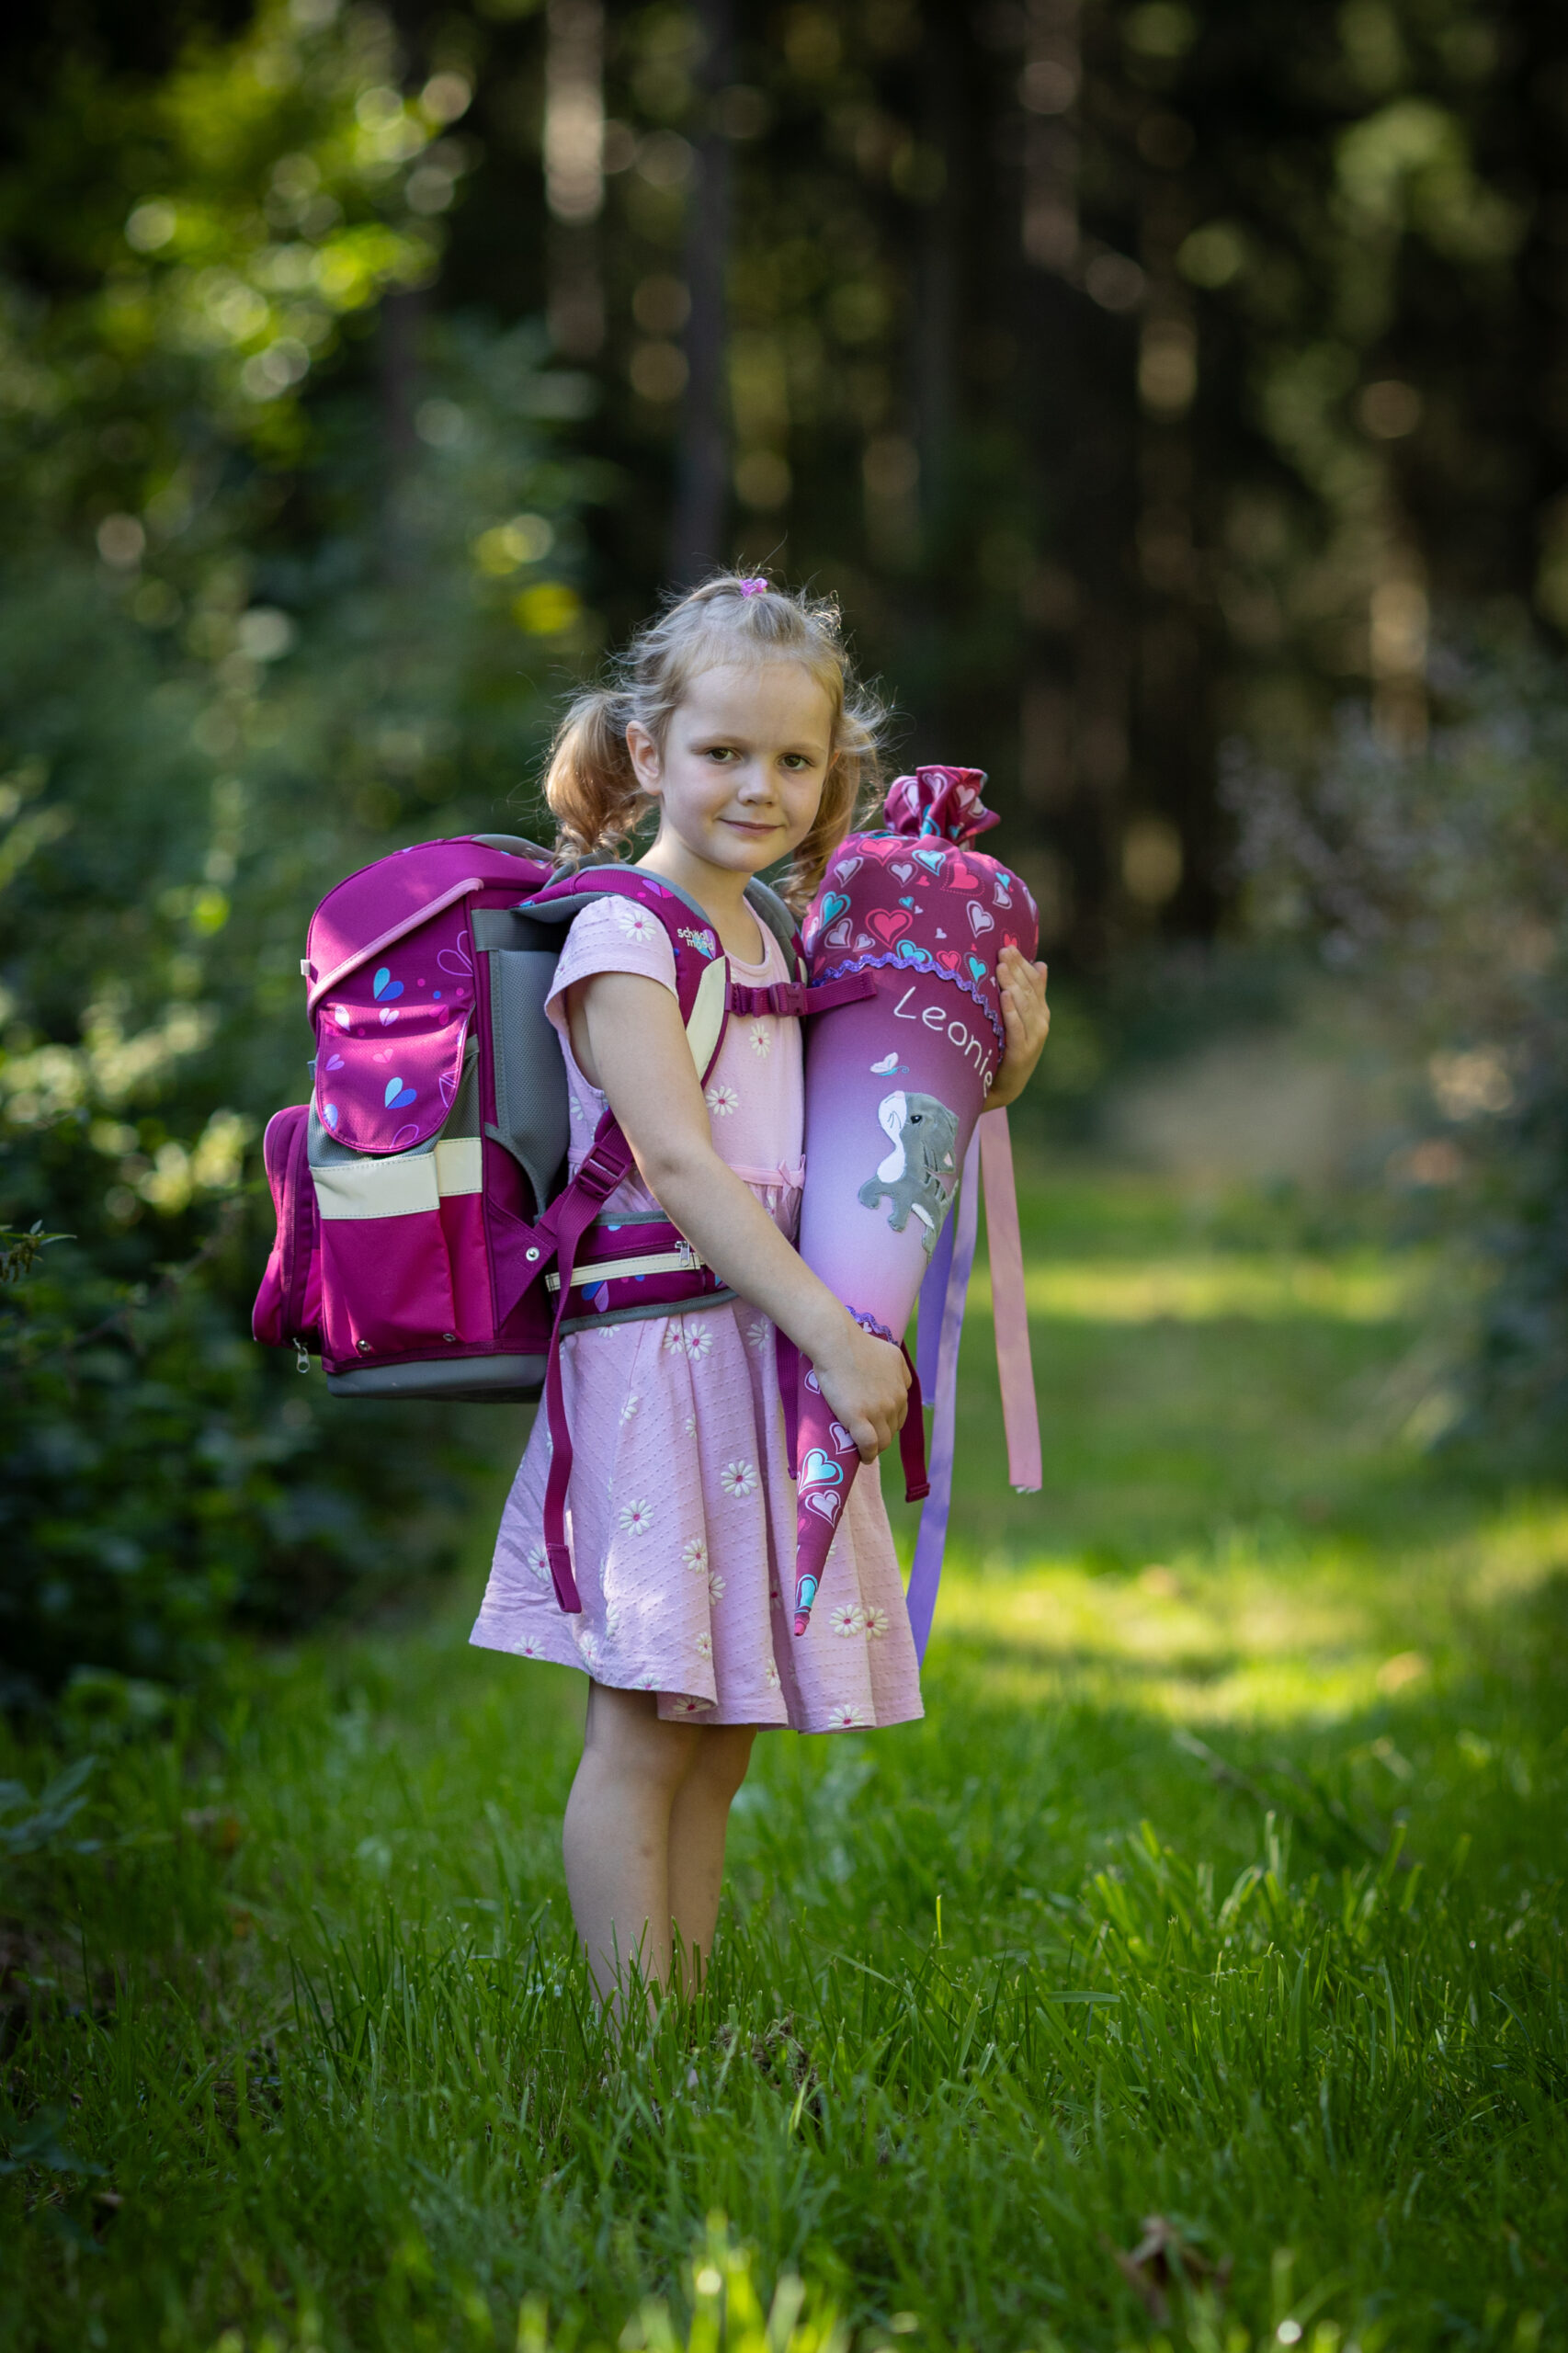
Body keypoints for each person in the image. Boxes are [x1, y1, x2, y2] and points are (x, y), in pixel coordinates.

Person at [470, 574, 1051, 2002]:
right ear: (649, 752)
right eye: (723, 751)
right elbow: (678, 1163)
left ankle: (678, 2024)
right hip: (660, 1361)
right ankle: (632, 2057)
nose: (759, 787)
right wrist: (838, 1341)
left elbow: (860, 1136)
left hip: (763, 1354)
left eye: (793, 760)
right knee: (643, 1727)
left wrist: (1003, 1061)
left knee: (720, 1731)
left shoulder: (780, 937)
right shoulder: (625, 934)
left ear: (830, 773)